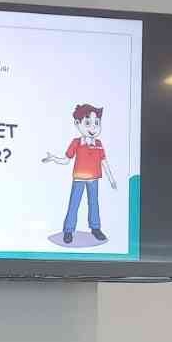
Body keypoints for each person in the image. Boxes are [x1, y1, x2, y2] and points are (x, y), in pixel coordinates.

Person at [42, 102, 117, 245]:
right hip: (79, 179)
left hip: (94, 179)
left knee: (94, 203)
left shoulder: (99, 144)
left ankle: (95, 228)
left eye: (96, 123)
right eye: (88, 123)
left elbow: (104, 162)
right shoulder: (76, 142)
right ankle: (68, 230)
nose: (93, 128)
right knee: (74, 203)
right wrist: (53, 158)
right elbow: (66, 160)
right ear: (78, 123)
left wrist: (112, 179)